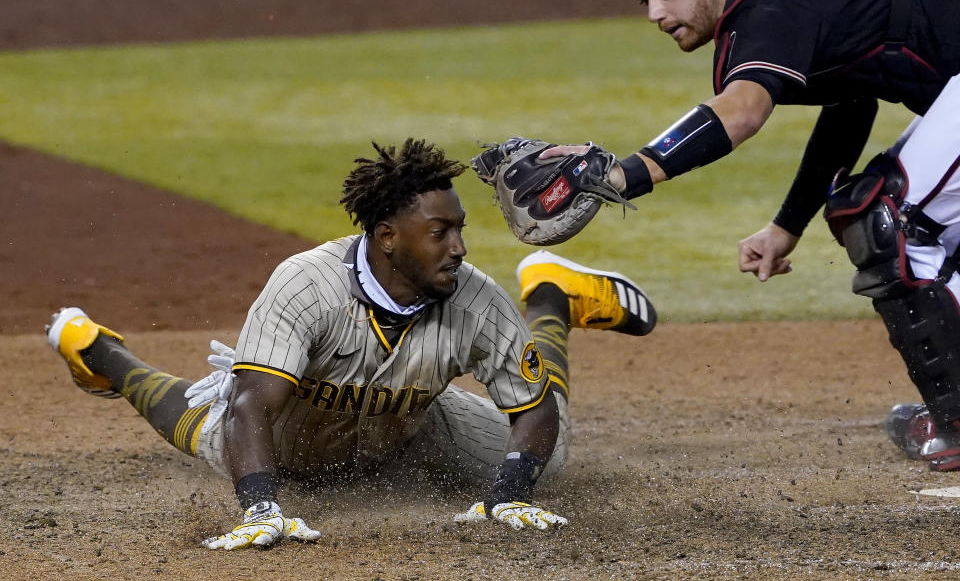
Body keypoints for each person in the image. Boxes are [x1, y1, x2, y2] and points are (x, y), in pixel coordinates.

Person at [45, 138, 656, 549]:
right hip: (283, 429)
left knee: (555, 447)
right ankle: (98, 350)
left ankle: (551, 296)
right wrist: (262, 509)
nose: (460, 248)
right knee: (201, 421)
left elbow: (533, 408)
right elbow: (250, 405)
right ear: (388, 237)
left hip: (420, 431)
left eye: (460, 230)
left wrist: (508, 495)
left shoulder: (473, 298)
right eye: (439, 233)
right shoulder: (308, 285)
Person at [539, 0, 960, 470]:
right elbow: (852, 103)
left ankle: (957, 416)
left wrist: (623, 174)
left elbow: (740, 113)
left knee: (884, 216)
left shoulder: (769, 2)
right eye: (643, 1)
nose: (654, 14)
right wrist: (788, 225)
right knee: (935, 230)